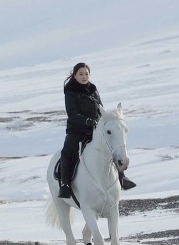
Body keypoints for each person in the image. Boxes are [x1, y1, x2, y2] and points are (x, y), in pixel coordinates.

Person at [57, 62, 135, 199]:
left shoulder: (93, 89)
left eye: (86, 74)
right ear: (74, 75)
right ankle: (65, 185)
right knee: (66, 151)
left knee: (110, 146)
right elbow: (72, 114)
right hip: (77, 130)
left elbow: (100, 109)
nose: (84, 76)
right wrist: (88, 121)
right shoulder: (70, 91)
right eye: (80, 74)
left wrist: (102, 121)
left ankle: (122, 177)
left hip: (95, 129)